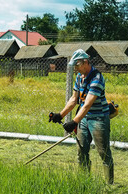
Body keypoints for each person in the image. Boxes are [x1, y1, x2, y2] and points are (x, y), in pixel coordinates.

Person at [49, 49, 114, 184]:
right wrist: (60, 115)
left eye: (77, 65)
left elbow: (87, 104)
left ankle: (109, 184)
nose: (76, 69)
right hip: (84, 119)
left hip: (98, 118)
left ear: (85, 62)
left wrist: (73, 122)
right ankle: (84, 181)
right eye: (74, 66)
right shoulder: (79, 77)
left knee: (103, 152)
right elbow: (74, 99)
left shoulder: (97, 78)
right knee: (81, 150)